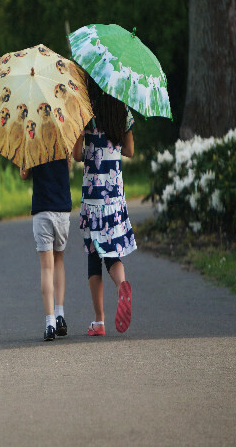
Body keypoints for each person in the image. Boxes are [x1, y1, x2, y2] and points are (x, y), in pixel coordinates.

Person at [72, 82, 136, 337]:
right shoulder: (122, 111)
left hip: (92, 198)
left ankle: (99, 321)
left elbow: (77, 155)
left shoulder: (85, 111)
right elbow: (130, 150)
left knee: (93, 255)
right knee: (112, 254)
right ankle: (122, 285)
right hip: (115, 198)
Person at [20, 158, 71, 341]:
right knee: (59, 262)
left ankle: (49, 323)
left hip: (42, 210)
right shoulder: (63, 138)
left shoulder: (32, 142)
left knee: (46, 268)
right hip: (62, 208)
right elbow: (68, 167)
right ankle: (60, 315)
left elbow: (24, 174)